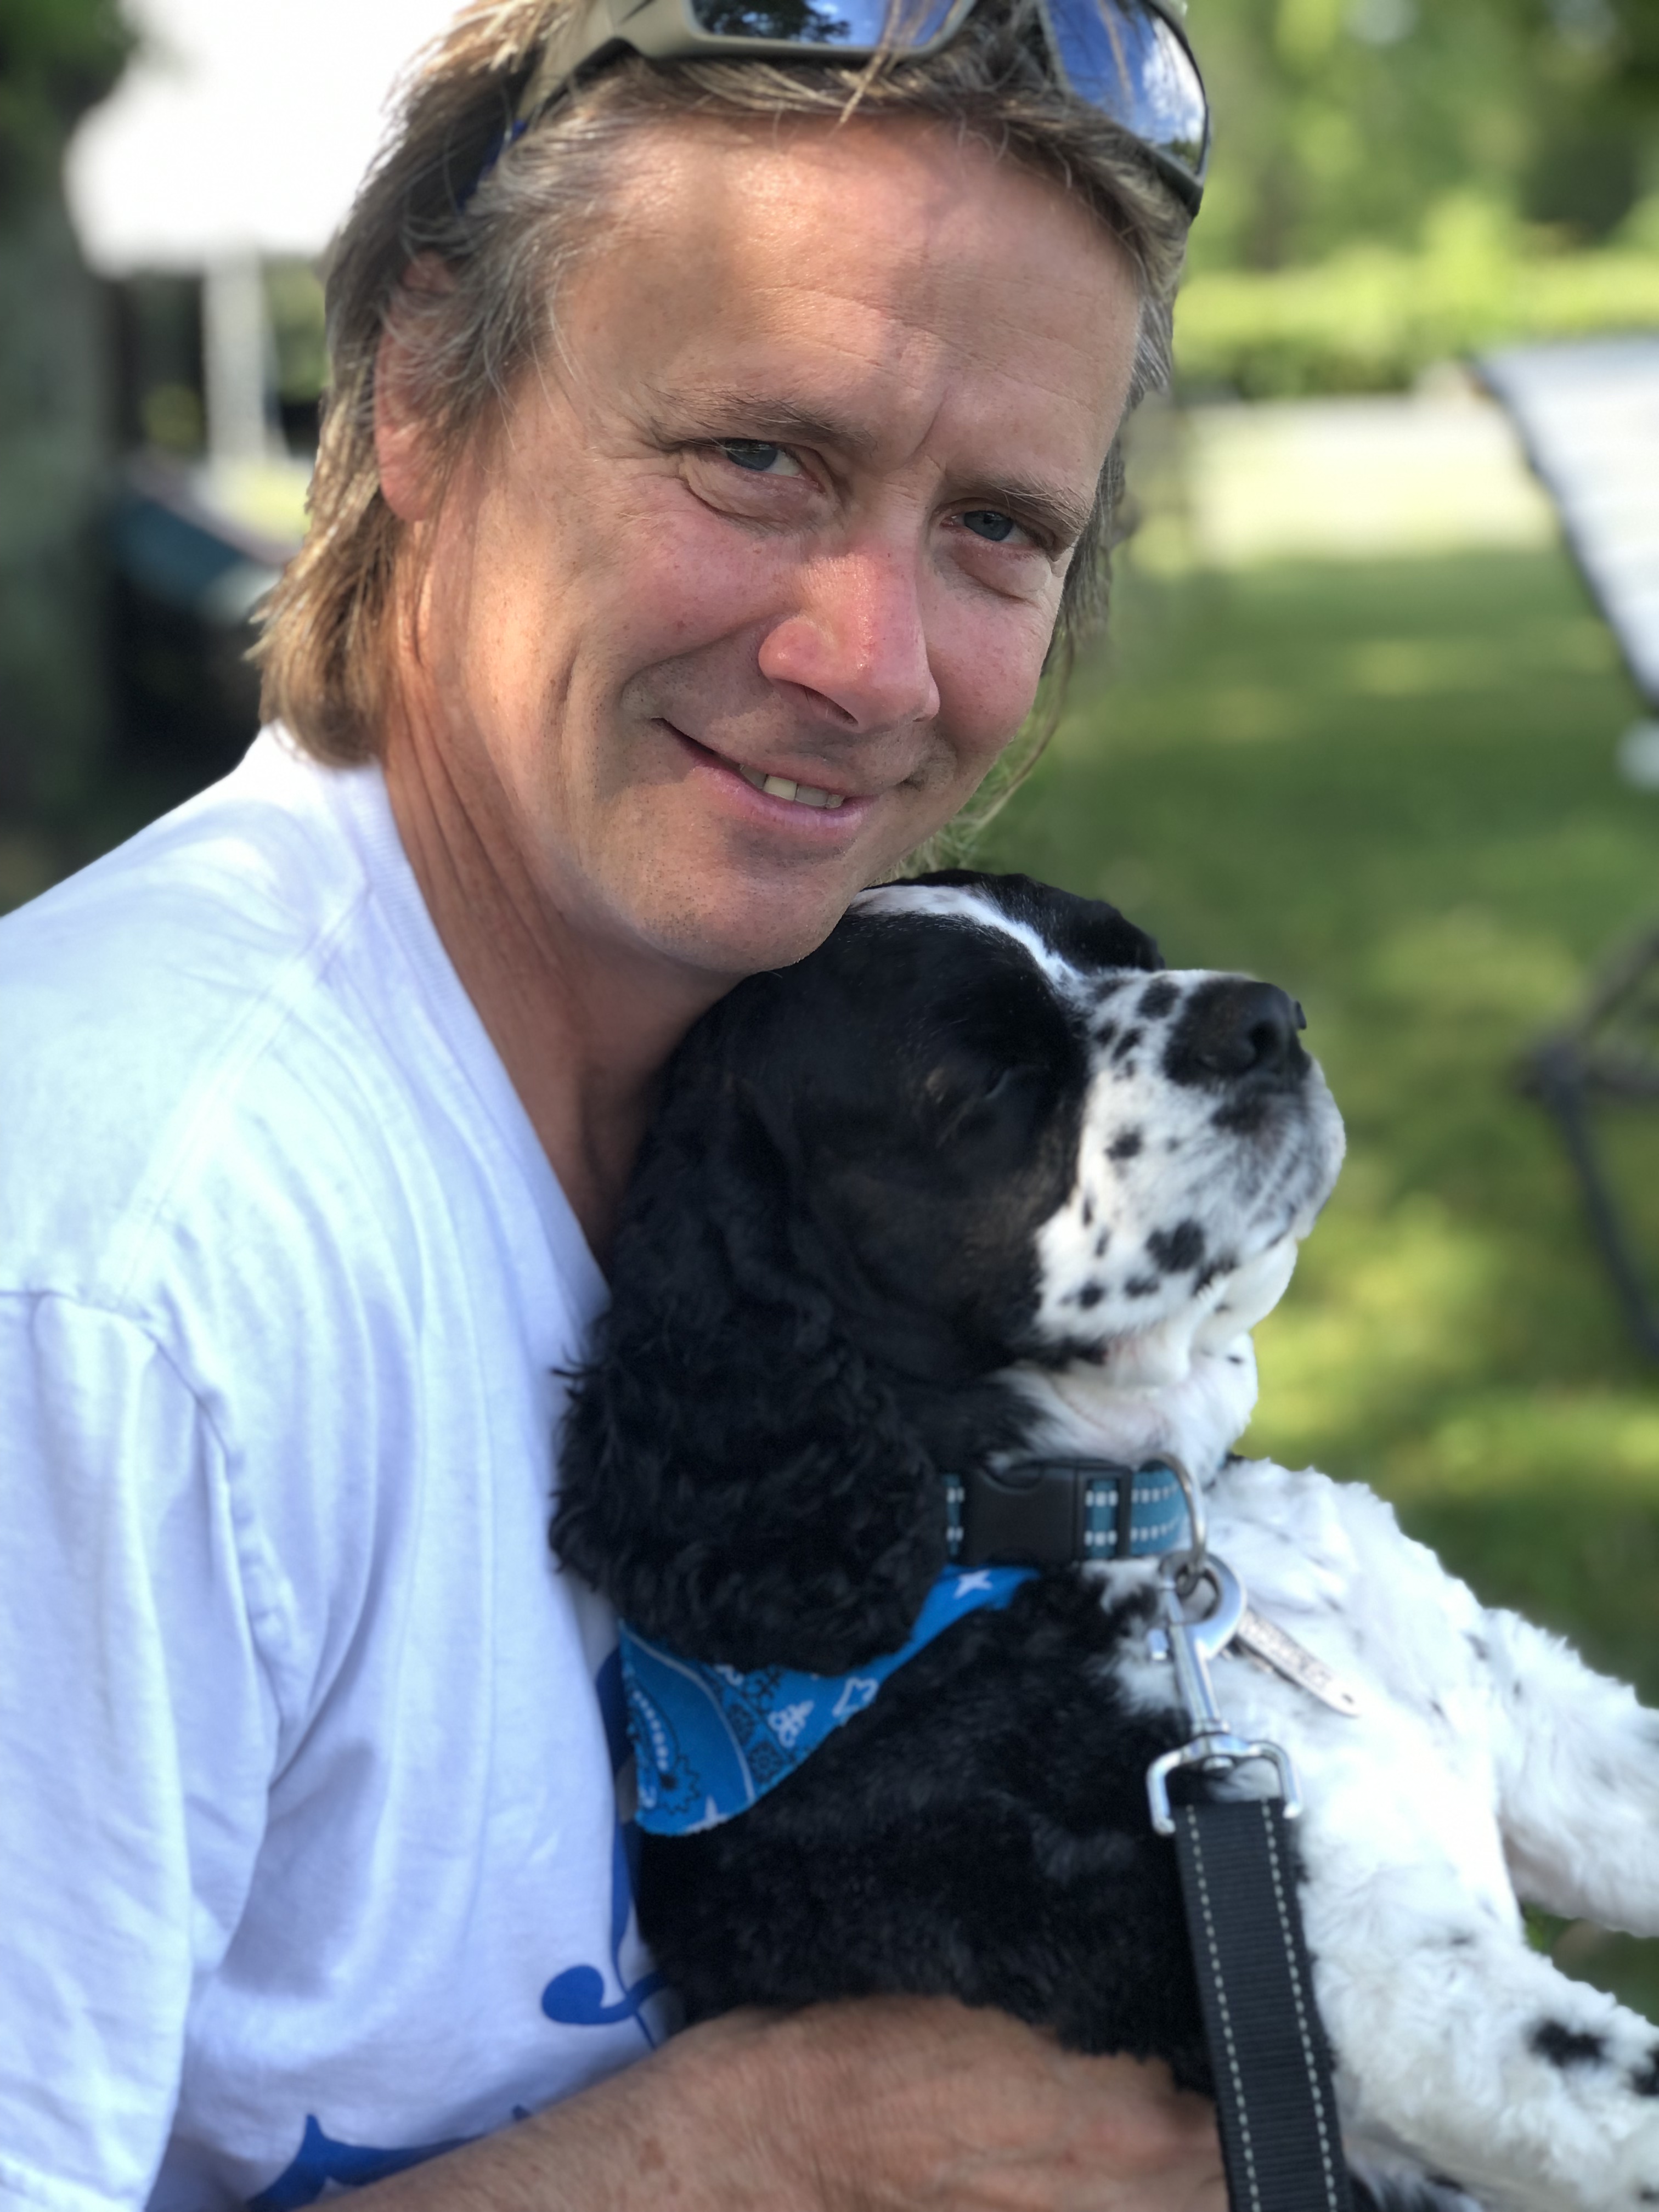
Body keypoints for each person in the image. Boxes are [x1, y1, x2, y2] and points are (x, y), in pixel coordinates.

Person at [0, 0, 1228, 2203]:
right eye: (761, 456)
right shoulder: (118, 1252)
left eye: (999, 529)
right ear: (420, 399)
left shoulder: (829, 1125)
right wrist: (765, 2146)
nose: (873, 662)